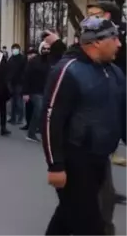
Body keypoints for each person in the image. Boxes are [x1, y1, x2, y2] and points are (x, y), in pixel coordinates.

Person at [42, 17, 127, 236]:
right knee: (90, 226)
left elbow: (121, 114)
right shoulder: (68, 71)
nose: (119, 44)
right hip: (74, 161)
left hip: (99, 159)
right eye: (114, 38)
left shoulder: (114, 72)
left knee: (67, 216)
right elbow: (51, 119)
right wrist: (55, 165)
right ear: (97, 42)